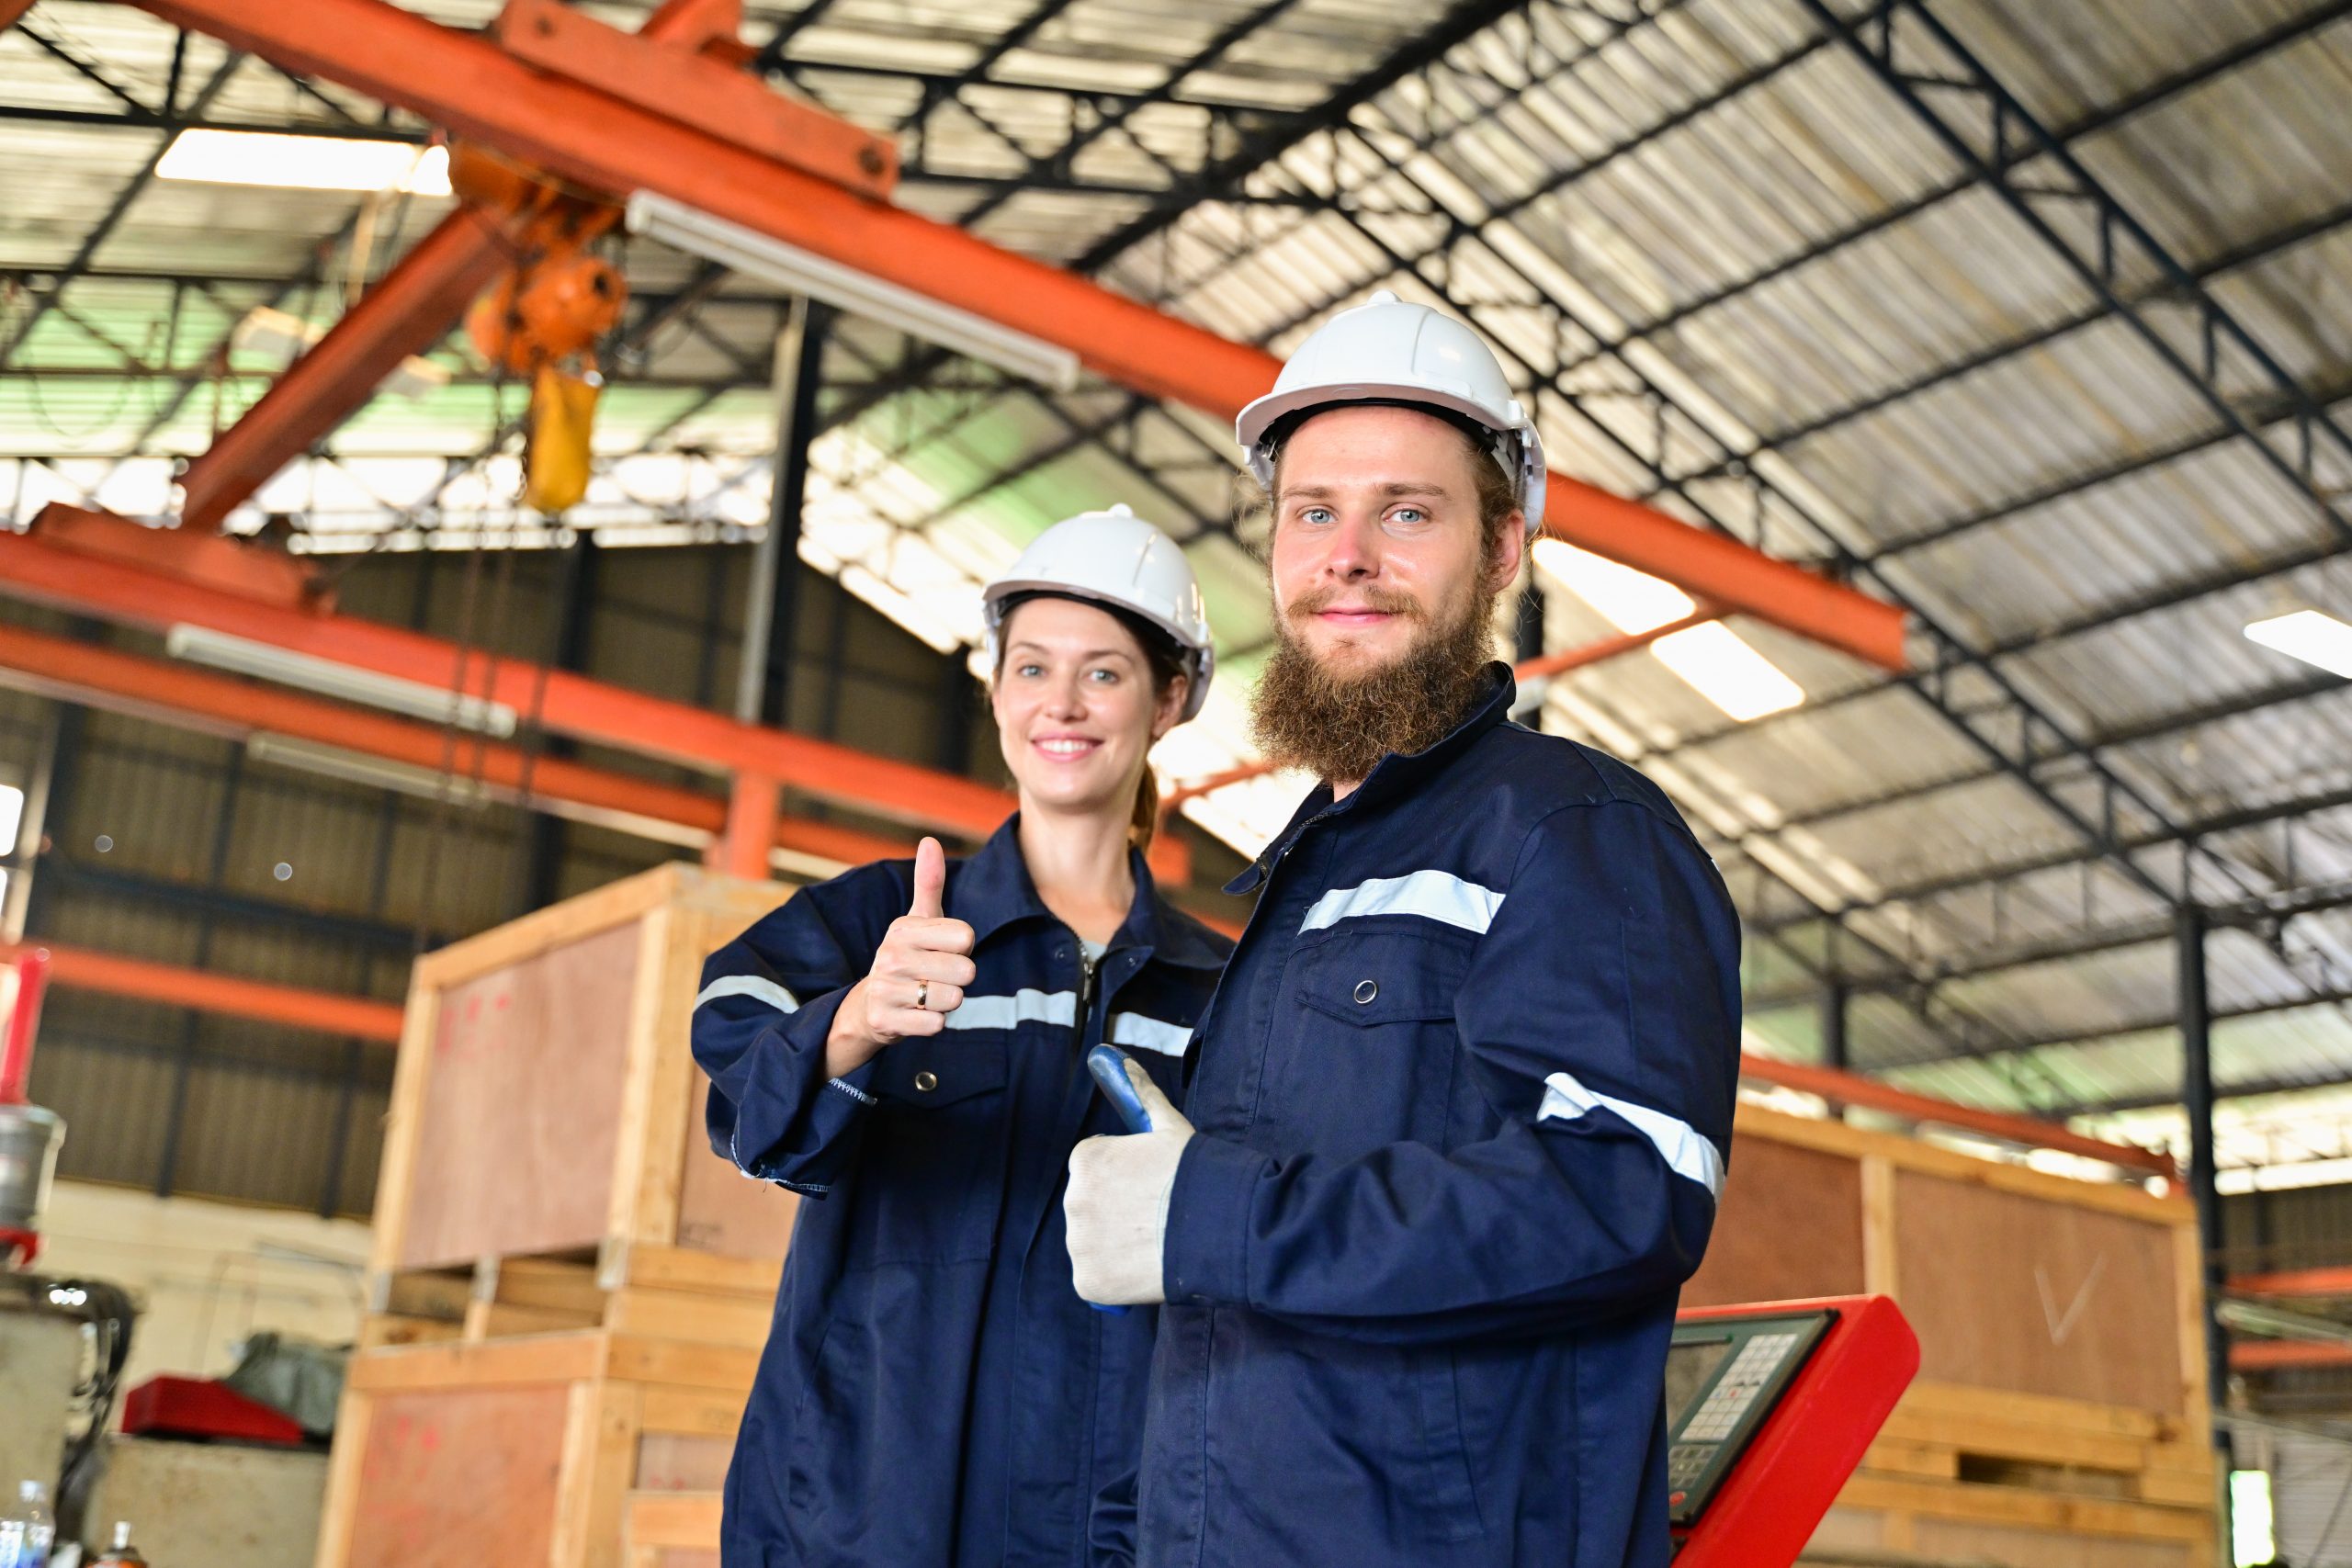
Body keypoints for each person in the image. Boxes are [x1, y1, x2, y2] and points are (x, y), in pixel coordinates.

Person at [1064, 292, 1743, 1568]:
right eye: (1313, 511)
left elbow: (1626, 1189)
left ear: (1501, 552)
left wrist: (1214, 1214)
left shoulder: (1576, 832)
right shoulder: (1301, 882)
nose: (1348, 554)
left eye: (1408, 512)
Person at [693, 505, 1233, 1567]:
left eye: (1105, 674)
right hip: (856, 1511)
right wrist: (853, 1022)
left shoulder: (1219, 990)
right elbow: (736, 1060)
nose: (1062, 704)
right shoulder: (873, 927)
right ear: (994, 689)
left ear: (1168, 700)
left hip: (1103, 1523)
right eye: (1031, 668)